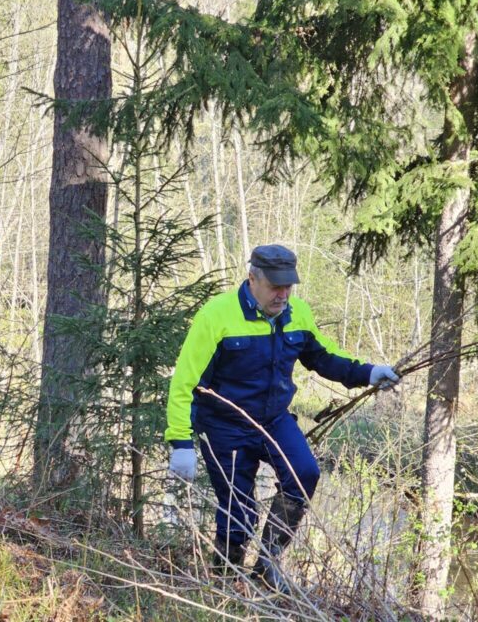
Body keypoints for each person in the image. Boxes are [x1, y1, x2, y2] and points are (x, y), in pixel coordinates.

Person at [165, 244, 398, 591]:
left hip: (274, 420)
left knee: (304, 473)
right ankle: (224, 585)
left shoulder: (297, 313)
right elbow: (185, 382)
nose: (283, 294)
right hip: (224, 426)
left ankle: (266, 565)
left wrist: (368, 372)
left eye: (288, 286)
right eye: (275, 286)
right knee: (237, 512)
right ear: (252, 279)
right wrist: (180, 442)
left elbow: (324, 358)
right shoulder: (216, 316)